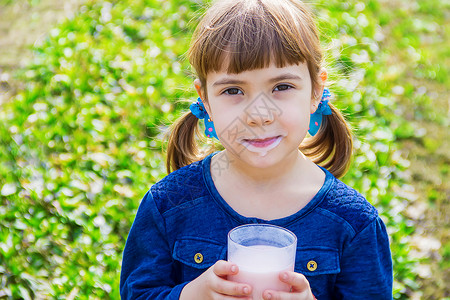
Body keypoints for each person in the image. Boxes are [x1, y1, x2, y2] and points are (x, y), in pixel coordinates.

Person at [120, 0, 393, 299]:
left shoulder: (354, 224)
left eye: (282, 87)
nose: (258, 115)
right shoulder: (168, 206)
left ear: (316, 90)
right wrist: (189, 295)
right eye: (233, 91)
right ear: (206, 100)